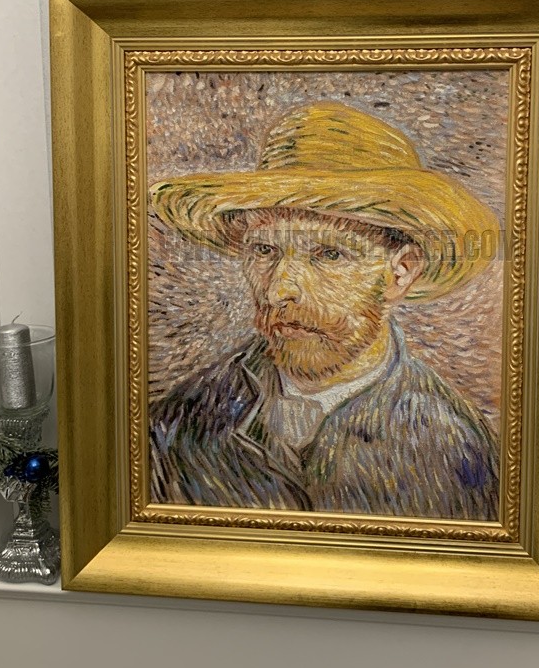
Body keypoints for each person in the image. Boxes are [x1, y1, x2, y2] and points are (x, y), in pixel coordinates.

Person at [148, 101, 501, 521]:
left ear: (400, 272)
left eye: (329, 254)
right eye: (264, 250)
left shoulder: (458, 449)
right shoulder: (179, 423)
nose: (279, 290)